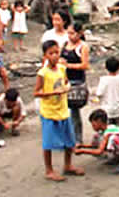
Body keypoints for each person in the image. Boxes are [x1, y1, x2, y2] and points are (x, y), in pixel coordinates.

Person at [34, 40, 84, 182]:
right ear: (45, 56)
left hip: (63, 109)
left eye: (57, 52)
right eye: (51, 53)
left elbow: (66, 82)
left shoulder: (62, 69)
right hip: (49, 111)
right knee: (48, 143)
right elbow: (36, 92)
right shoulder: (42, 73)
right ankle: (49, 170)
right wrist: (51, 93)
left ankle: (68, 165)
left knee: (69, 139)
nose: (55, 56)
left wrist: (66, 88)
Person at [73, 109, 119, 175]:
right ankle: (118, 159)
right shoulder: (105, 130)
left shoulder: (109, 132)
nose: (92, 126)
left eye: (93, 124)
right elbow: (96, 146)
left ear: (99, 122)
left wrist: (82, 151)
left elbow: (99, 151)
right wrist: (82, 146)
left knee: (113, 139)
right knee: (99, 138)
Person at [60, 22, 90, 145]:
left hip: (76, 82)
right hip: (63, 81)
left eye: (72, 33)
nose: (69, 36)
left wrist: (68, 65)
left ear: (79, 33)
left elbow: (85, 65)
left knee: (74, 112)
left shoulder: (82, 47)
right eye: (68, 33)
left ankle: (77, 139)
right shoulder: (65, 44)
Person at [96, 57, 119, 128]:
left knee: (108, 132)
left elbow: (99, 93)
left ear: (106, 67)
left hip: (107, 110)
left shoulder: (103, 80)